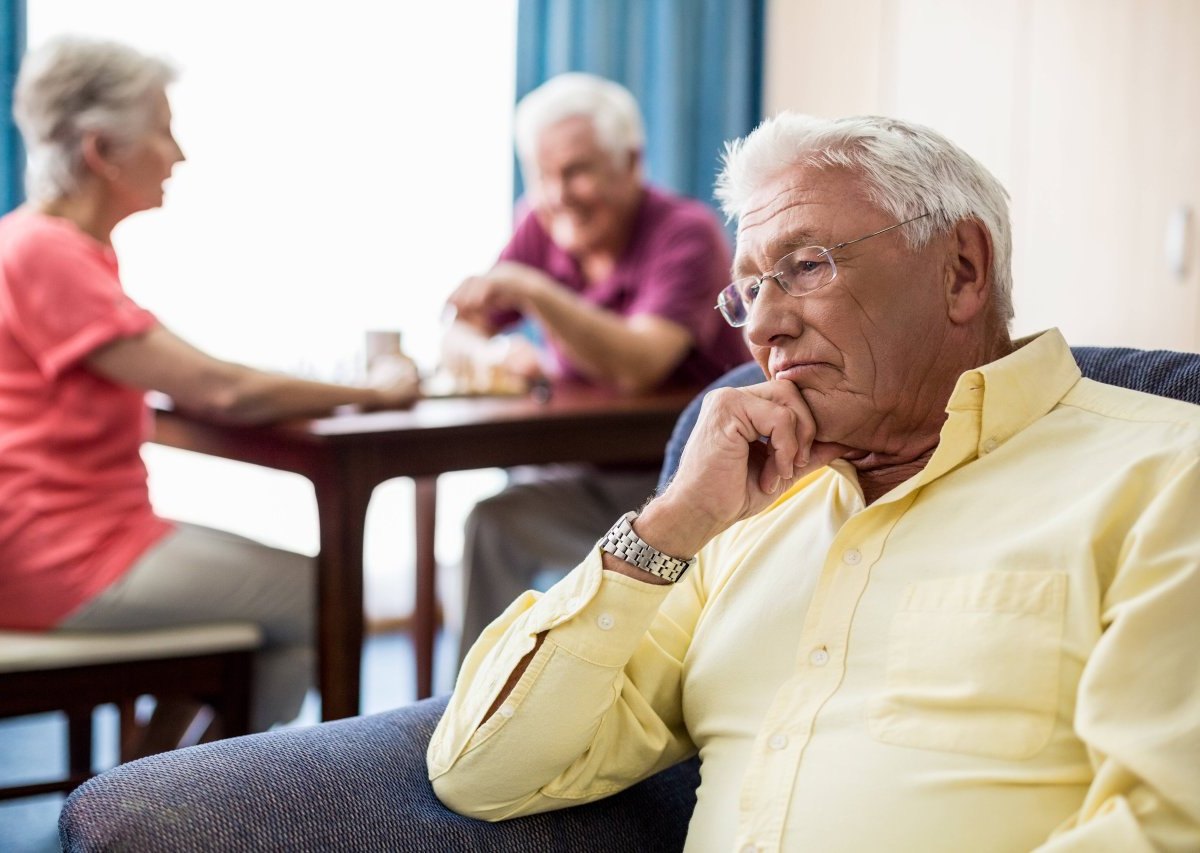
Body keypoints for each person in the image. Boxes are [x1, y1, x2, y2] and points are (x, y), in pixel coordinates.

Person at [428, 113, 1200, 851]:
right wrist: (675, 520)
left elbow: (1165, 826)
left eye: (804, 266)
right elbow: (482, 771)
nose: (762, 327)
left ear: (961, 271)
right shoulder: (739, 516)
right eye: (750, 289)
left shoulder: (1168, 473)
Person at [0, 37, 419, 750]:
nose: (179, 154)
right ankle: (174, 796)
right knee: (327, 597)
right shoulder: (48, 252)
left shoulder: (43, 244)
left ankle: (150, 781)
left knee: (284, 614)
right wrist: (372, 392)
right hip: (65, 557)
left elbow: (179, 377)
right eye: (162, 128)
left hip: (72, 538)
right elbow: (220, 389)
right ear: (101, 149)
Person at [442, 72, 748, 660]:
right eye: (542, 175)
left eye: (577, 170)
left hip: (679, 485)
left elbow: (639, 363)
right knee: (492, 523)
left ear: (631, 162)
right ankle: (469, 708)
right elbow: (462, 325)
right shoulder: (542, 220)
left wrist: (531, 289)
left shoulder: (685, 233)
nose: (559, 193)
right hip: (582, 473)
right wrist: (495, 354)